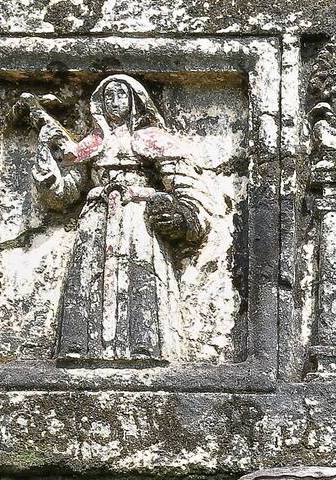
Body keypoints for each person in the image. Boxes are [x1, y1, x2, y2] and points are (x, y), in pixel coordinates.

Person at [26, 74, 213, 363]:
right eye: (109, 95)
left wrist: (182, 217)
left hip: (136, 217)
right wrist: (46, 151)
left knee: (140, 274)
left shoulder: (150, 140)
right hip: (96, 219)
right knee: (87, 276)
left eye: (121, 95)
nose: (115, 102)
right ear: (99, 102)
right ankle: (79, 348)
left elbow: (184, 186)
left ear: (135, 100)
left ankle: (145, 346)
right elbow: (64, 192)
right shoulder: (92, 145)